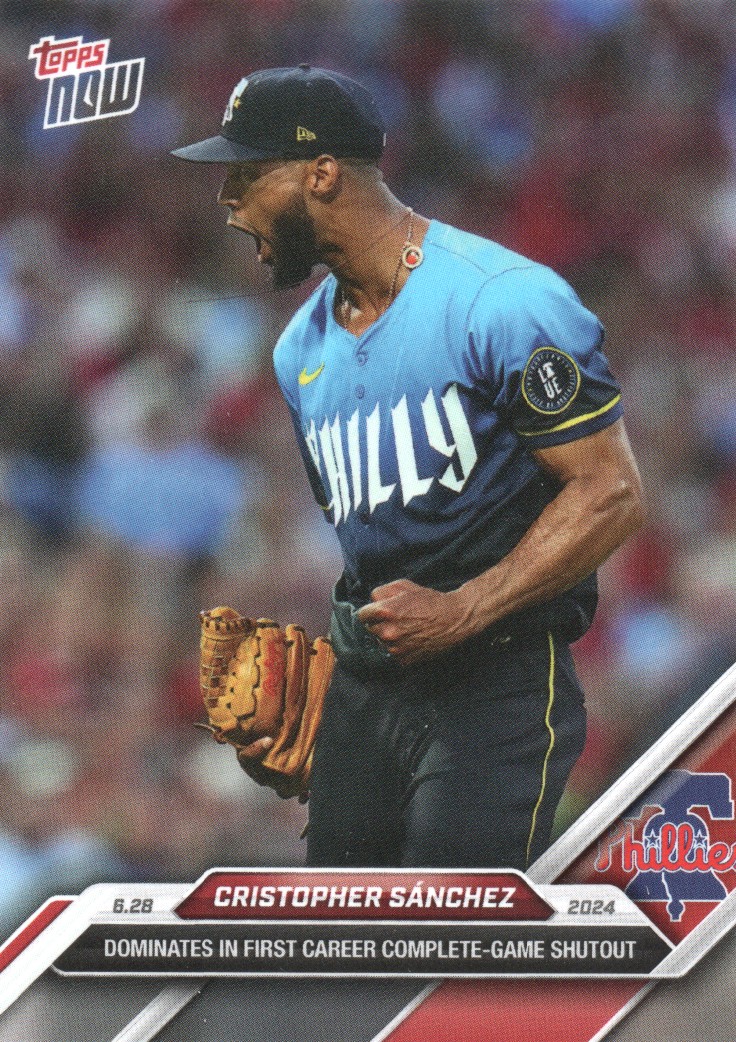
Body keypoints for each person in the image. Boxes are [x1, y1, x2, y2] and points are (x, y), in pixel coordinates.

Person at [172, 65, 644, 870]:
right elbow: (372, 546)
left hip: (497, 681)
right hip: (369, 696)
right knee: (345, 940)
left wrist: (464, 608)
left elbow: (612, 491)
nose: (226, 200)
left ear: (322, 174)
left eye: (247, 174)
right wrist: (338, 669)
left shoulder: (503, 302)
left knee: (451, 931)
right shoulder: (296, 352)